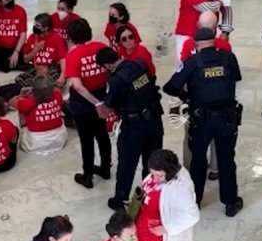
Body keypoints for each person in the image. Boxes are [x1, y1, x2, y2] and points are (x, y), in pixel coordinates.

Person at [163, 27, 244, 217]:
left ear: (196, 45)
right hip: (227, 119)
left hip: (201, 121)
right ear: (213, 41)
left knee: (198, 161)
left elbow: (170, 87)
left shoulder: (192, 62)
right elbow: (236, 78)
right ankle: (231, 203)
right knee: (226, 160)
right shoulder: (228, 58)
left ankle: (195, 201)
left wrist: (188, 95)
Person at [95, 47, 163, 210]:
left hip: (134, 127)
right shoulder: (140, 65)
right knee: (152, 162)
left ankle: (120, 200)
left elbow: (109, 106)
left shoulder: (115, 80)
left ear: (107, 66)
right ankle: (148, 197)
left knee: (127, 164)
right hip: (154, 120)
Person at [178, 11, 233, 181]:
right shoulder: (224, 46)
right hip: (220, 101)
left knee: (190, 135)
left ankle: (189, 166)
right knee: (219, 136)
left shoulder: (189, 44)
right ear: (216, 28)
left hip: (195, 100)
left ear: (198, 26)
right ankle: (215, 169)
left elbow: (183, 69)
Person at [135, 150, 198, 241]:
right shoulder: (157, 175)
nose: (155, 179)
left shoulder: (179, 188)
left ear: (169, 172)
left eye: (159, 176)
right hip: (142, 230)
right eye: (152, 174)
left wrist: (165, 228)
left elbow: (192, 215)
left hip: (157, 238)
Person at [64, 19, 110, 189]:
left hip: (83, 104)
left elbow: (77, 85)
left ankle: (88, 175)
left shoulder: (73, 55)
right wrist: (101, 102)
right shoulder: (100, 47)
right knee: (102, 135)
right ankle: (105, 169)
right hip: (101, 95)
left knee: (86, 139)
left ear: (71, 37)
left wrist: (95, 103)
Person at [174, 0, 233, 64]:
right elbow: (206, 7)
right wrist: (222, 2)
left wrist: (225, 32)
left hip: (208, 37)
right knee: (184, 66)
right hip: (188, 35)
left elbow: (227, 8)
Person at [15, 75, 67, 155]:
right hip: (59, 140)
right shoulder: (58, 96)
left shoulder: (26, 102)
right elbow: (57, 90)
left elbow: (15, 101)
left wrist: (23, 96)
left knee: (21, 109)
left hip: (35, 143)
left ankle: (24, 130)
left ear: (34, 91)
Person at [16, 13, 68, 87]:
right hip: (37, 70)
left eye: (38, 26)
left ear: (46, 28)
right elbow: (26, 60)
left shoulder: (57, 38)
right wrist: (35, 50)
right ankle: (39, 87)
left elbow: (63, 59)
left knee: (58, 81)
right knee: (19, 79)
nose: (35, 27)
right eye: (35, 24)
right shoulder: (32, 37)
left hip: (51, 70)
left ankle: (38, 88)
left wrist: (62, 76)